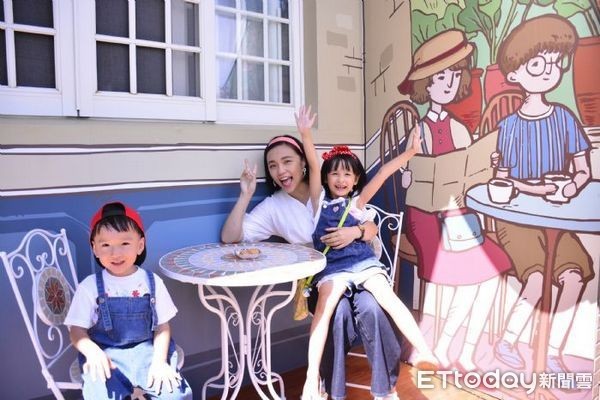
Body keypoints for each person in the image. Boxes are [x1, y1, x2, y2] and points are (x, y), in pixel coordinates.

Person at [221, 131, 402, 400]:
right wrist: (245, 195)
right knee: (338, 313)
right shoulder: (273, 207)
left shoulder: (330, 185)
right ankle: (330, 389)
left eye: (287, 161)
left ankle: (386, 391)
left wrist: (356, 232)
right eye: (273, 165)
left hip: (361, 269)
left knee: (372, 308)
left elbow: (370, 224)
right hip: (323, 279)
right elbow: (230, 237)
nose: (281, 171)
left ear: (304, 163)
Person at [295, 106, 437, 400]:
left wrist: (410, 152)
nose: (340, 179)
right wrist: (306, 134)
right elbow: (313, 163)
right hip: (333, 268)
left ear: (356, 178)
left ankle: (424, 350)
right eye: (335, 173)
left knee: (388, 298)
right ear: (326, 178)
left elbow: (383, 173)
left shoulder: (358, 204)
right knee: (323, 311)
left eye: (347, 174)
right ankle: (311, 379)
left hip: (362, 262)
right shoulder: (318, 202)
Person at [398, 29, 512, 372]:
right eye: (439, 77)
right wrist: (408, 176)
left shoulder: (461, 129)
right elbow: (407, 178)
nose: (448, 83)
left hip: (459, 216)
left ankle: (464, 350)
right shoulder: (419, 130)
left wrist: (484, 168)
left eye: (454, 74)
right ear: (426, 84)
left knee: (492, 274)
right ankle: (442, 344)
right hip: (424, 216)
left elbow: (468, 176)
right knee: (456, 273)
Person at [493, 15, 593, 374]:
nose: (549, 71)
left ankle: (551, 350)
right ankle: (507, 339)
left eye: (555, 63)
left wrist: (571, 186)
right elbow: (501, 180)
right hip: (516, 220)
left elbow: (583, 170)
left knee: (574, 275)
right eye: (538, 64)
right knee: (536, 278)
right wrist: (521, 184)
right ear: (515, 74)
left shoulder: (564, 118)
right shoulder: (508, 127)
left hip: (556, 216)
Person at [65, 202, 192, 399]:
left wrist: (159, 362)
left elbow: (162, 327)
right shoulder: (89, 287)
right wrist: (92, 352)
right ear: (95, 249)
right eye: (105, 245)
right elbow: (76, 331)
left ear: (140, 245)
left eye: (125, 243)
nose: (115, 253)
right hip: (106, 356)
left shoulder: (152, 282)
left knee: (174, 394)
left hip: (149, 353)